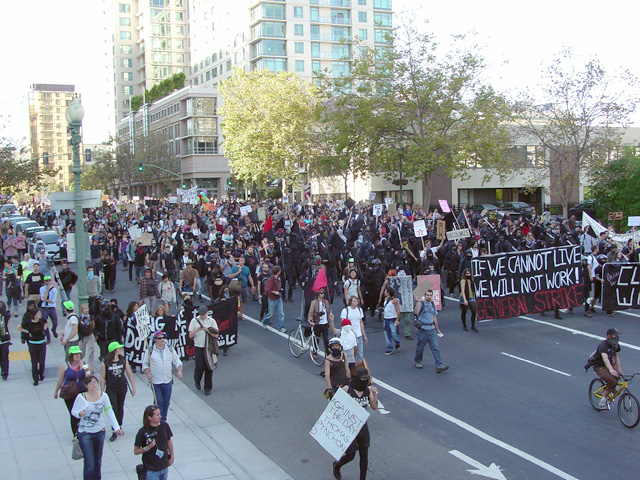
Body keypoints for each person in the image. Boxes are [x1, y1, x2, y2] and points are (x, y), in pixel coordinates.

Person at [72, 374, 123, 480]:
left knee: (98, 460)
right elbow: (73, 411)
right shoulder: (81, 397)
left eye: (95, 382)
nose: (93, 385)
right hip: (85, 432)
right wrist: (79, 414)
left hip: (99, 431)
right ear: (86, 385)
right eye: (91, 383)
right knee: (89, 462)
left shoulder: (103, 396)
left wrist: (116, 427)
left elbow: (109, 411)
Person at [332, 367, 378, 480]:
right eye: (363, 379)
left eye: (366, 378)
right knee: (351, 455)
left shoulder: (367, 391)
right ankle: (337, 465)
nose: (365, 381)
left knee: (364, 456)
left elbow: (374, 406)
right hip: (349, 428)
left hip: (363, 427)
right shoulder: (348, 389)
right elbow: (336, 405)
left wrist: (374, 394)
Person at [142, 331, 183, 422]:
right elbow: (145, 365)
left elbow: (177, 361)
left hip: (167, 381)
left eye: (163, 338)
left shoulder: (170, 349)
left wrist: (179, 371)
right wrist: (148, 373)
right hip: (156, 381)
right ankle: (155, 418)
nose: (162, 340)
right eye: (160, 338)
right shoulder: (150, 351)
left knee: (166, 401)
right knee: (158, 401)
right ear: (155, 340)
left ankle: (163, 419)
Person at [100, 341, 136, 441]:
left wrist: (133, 387)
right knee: (113, 407)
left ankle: (119, 425)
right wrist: (102, 391)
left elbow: (129, 373)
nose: (120, 349)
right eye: (119, 348)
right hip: (111, 387)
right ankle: (114, 429)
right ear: (114, 350)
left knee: (120, 407)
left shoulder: (123, 360)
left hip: (121, 386)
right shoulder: (105, 362)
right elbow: (102, 377)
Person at [53, 346, 90, 439]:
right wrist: (56, 391)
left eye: (79, 354)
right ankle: (75, 433)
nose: (78, 356)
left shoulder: (85, 364)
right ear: (71, 355)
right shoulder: (65, 366)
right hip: (70, 392)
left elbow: (91, 378)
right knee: (74, 413)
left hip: (82, 391)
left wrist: (87, 373)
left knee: (83, 412)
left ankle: (84, 430)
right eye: (75, 354)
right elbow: (60, 380)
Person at [134, 404, 175, 480]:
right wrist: (147, 448)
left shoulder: (164, 425)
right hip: (151, 470)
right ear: (149, 417)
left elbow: (169, 440)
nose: (160, 416)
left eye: (159, 414)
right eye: (157, 415)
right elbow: (136, 451)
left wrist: (172, 456)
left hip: (164, 466)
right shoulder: (143, 432)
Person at [413, 289, 449, 373]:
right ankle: (417, 360)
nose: (429, 297)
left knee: (435, 348)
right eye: (427, 295)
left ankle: (439, 365)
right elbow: (416, 312)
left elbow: (434, 317)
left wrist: (438, 329)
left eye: (430, 295)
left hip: (431, 329)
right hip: (422, 329)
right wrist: (418, 302)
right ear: (424, 295)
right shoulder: (421, 303)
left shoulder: (432, 304)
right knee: (420, 347)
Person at [188, 305, 219, 396]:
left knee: (209, 368)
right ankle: (197, 380)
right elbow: (190, 335)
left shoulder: (211, 321)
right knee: (199, 366)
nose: (202, 316)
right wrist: (197, 330)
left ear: (206, 313)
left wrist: (207, 330)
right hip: (198, 346)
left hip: (208, 347)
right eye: (200, 315)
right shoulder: (194, 321)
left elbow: (216, 335)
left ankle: (207, 388)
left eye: (203, 314)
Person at [17, 307, 49, 385]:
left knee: (41, 362)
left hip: (41, 343)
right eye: (38, 313)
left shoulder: (42, 320)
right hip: (33, 344)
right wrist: (27, 332)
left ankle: (41, 373)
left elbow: (47, 322)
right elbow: (18, 327)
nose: (40, 314)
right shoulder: (28, 322)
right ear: (34, 315)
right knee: (34, 363)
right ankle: (35, 379)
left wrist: (44, 329)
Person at [593, 328, 623, 410]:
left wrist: (619, 369)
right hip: (600, 366)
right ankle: (602, 401)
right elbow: (605, 358)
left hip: (609, 364)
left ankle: (611, 388)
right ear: (609, 336)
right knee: (612, 381)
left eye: (617, 335)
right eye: (615, 335)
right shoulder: (603, 345)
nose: (617, 337)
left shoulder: (615, 344)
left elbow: (616, 356)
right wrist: (611, 370)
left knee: (619, 376)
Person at [340, 296, 367, 363]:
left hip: (358, 335)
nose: (356, 303)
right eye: (354, 301)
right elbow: (343, 323)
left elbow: (361, 323)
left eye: (357, 301)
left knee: (360, 354)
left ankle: (359, 369)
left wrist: (364, 335)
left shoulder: (359, 310)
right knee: (350, 354)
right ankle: (350, 367)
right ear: (351, 302)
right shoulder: (345, 311)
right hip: (350, 335)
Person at [229, 256, 255, 321]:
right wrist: (238, 272)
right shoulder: (235, 268)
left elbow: (249, 276)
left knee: (243, 301)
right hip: (237, 287)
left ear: (244, 261)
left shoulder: (246, 268)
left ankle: (241, 314)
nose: (241, 261)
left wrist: (252, 285)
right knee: (237, 301)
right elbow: (231, 276)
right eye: (240, 260)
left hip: (244, 286)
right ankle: (235, 314)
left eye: (242, 260)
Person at [262, 265, 285, 332]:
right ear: (278, 272)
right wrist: (274, 292)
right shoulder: (270, 279)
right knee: (270, 313)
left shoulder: (277, 279)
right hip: (272, 298)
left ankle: (281, 327)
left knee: (281, 313)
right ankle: (264, 322)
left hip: (277, 298)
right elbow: (266, 289)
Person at [78, 303, 98, 373]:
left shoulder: (91, 317)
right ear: (82, 310)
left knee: (91, 351)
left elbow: (93, 326)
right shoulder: (80, 318)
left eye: (86, 308)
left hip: (89, 335)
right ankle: (79, 365)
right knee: (81, 352)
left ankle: (90, 367)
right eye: (84, 309)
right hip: (83, 336)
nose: (86, 310)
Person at [382, 287, 401, 355]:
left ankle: (397, 341)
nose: (384, 292)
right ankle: (389, 348)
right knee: (387, 334)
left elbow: (398, 310)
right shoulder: (385, 299)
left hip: (392, 319)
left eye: (385, 291)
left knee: (393, 333)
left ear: (388, 293)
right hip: (386, 319)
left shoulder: (394, 300)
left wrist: (397, 320)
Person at [40, 274, 59, 339]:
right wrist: (47, 290)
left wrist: (46, 299)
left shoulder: (54, 289)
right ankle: (48, 337)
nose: (47, 282)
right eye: (46, 280)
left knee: (55, 322)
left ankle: (53, 330)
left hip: (52, 307)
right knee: (44, 322)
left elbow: (53, 300)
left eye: (49, 280)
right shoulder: (42, 289)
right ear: (44, 281)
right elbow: (42, 298)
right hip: (44, 307)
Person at [0, 301, 11, 379]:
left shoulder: (4, 316)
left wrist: (2, 309)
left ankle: (5, 371)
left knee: (4, 356)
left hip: (4, 338)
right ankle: (2, 369)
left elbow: (8, 315)